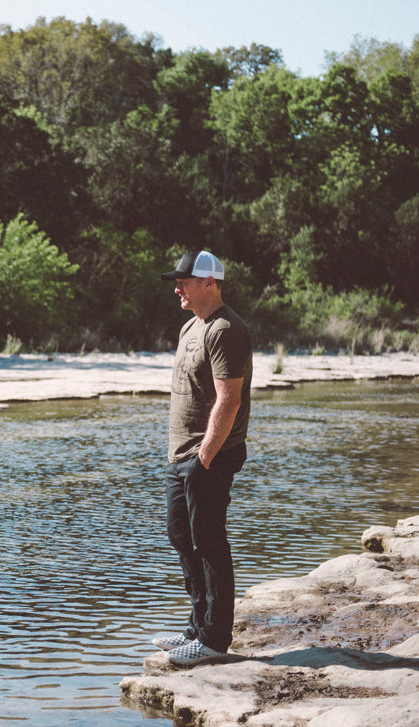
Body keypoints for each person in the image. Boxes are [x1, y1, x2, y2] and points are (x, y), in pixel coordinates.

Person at [151, 250, 252, 668]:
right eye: (176, 281)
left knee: (208, 542)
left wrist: (205, 456)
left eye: (185, 281)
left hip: (208, 457)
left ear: (209, 282)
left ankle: (213, 640)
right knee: (181, 536)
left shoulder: (227, 329)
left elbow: (229, 400)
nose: (177, 287)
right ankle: (196, 627)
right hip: (182, 458)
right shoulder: (191, 326)